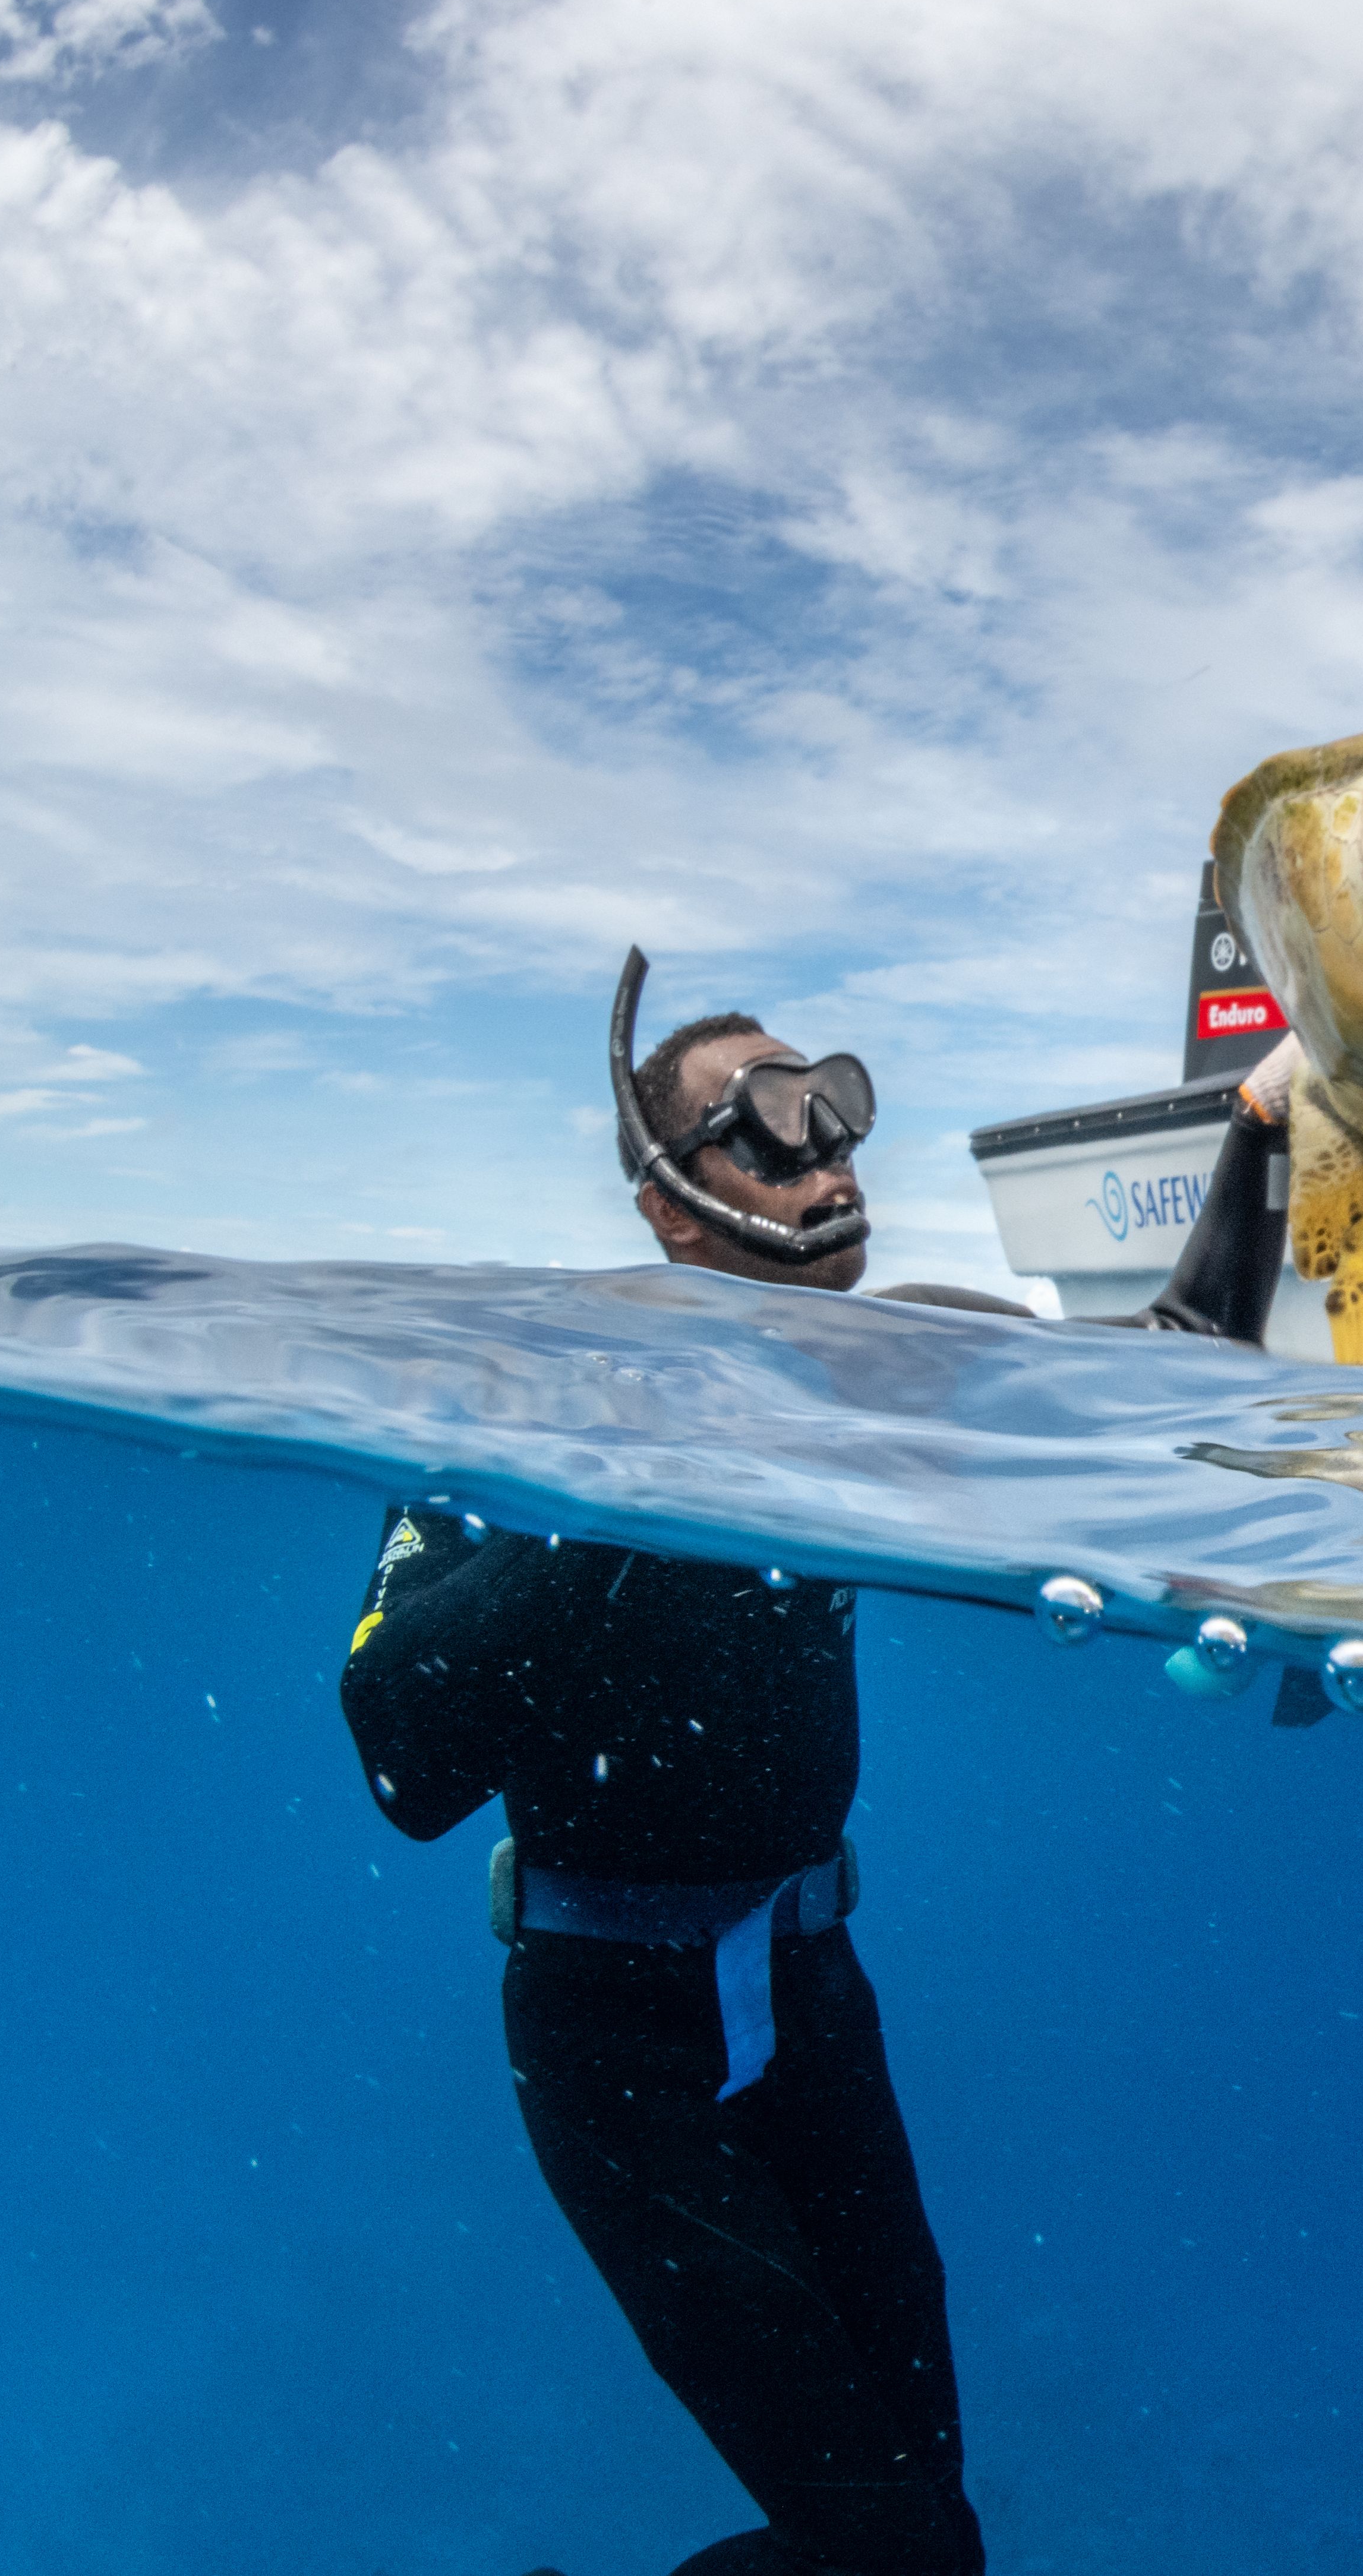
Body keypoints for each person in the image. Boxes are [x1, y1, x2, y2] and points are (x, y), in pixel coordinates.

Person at [342, 968, 986, 2576]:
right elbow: (402, 1757)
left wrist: (1259, 1141)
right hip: (612, 2032)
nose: (827, 1165)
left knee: (927, 2534)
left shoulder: (876, 1384)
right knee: (890, 2549)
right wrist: (648, 1462)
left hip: (815, 1996)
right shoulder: (530, 1407)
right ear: (671, 1203)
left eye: (836, 1118)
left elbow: (1179, 1387)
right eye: (767, 1134)